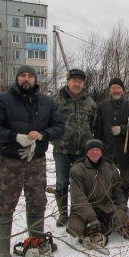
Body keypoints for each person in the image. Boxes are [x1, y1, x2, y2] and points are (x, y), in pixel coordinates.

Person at [0, 65, 65, 257]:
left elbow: (59, 126)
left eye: (30, 76)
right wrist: (14, 137)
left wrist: (43, 134)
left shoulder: (46, 102)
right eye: (22, 76)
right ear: (17, 78)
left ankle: (35, 241)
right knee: (6, 203)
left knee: (37, 201)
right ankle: (3, 251)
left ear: (35, 80)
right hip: (10, 162)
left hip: (36, 161)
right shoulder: (3, 100)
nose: (26, 79)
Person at [52, 69, 97, 227]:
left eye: (80, 82)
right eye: (74, 81)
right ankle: (63, 214)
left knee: (80, 184)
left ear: (83, 84)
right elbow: (49, 123)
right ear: (68, 81)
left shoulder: (89, 103)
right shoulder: (56, 100)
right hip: (62, 150)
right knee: (62, 183)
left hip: (82, 152)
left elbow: (93, 124)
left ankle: (77, 212)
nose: (77, 84)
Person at [66, 139, 129, 242]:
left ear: (101, 152)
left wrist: (122, 204)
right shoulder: (77, 169)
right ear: (86, 152)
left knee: (122, 217)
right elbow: (78, 199)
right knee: (74, 228)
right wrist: (92, 218)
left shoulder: (110, 166)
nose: (94, 152)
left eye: (97, 149)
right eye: (91, 150)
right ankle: (89, 229)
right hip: (83, 209)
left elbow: (117, 189)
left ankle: (104, 226)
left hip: (106, 206)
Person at [94, 78, 129, 202]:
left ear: (123, 90)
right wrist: (97, 148)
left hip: (125, 151)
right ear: (109, 90)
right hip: (107, 151)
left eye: (119, 88)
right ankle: (107, 207)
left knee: (125, 182)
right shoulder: (102, 106)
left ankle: (123, 206)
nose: (116, 90)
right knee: (106, 181)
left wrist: (122, 129)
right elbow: (98, 129)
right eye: (113, 88)